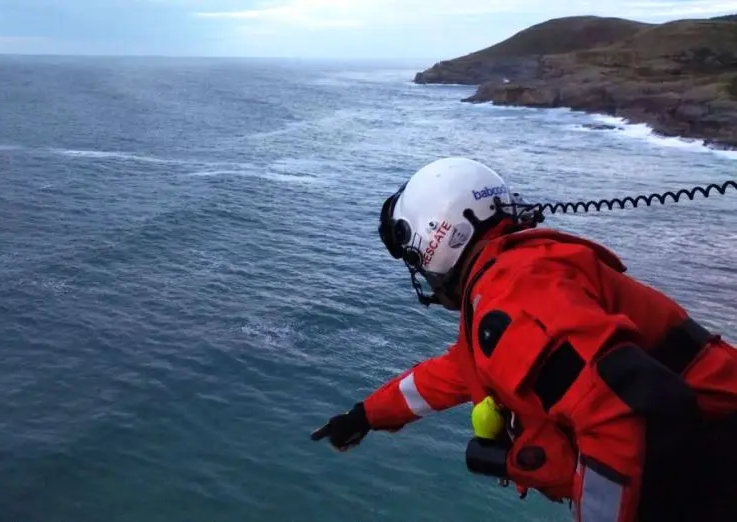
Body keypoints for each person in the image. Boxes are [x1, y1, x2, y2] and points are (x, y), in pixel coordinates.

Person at [311, 157, 737, 522]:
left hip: (710, 463)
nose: (424, 275)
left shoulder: (511, 295)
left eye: (417, 260)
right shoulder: (512, 277)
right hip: (698, 448)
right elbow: (447, 376)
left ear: (439, 238)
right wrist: (365, 416)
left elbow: (621, 407)